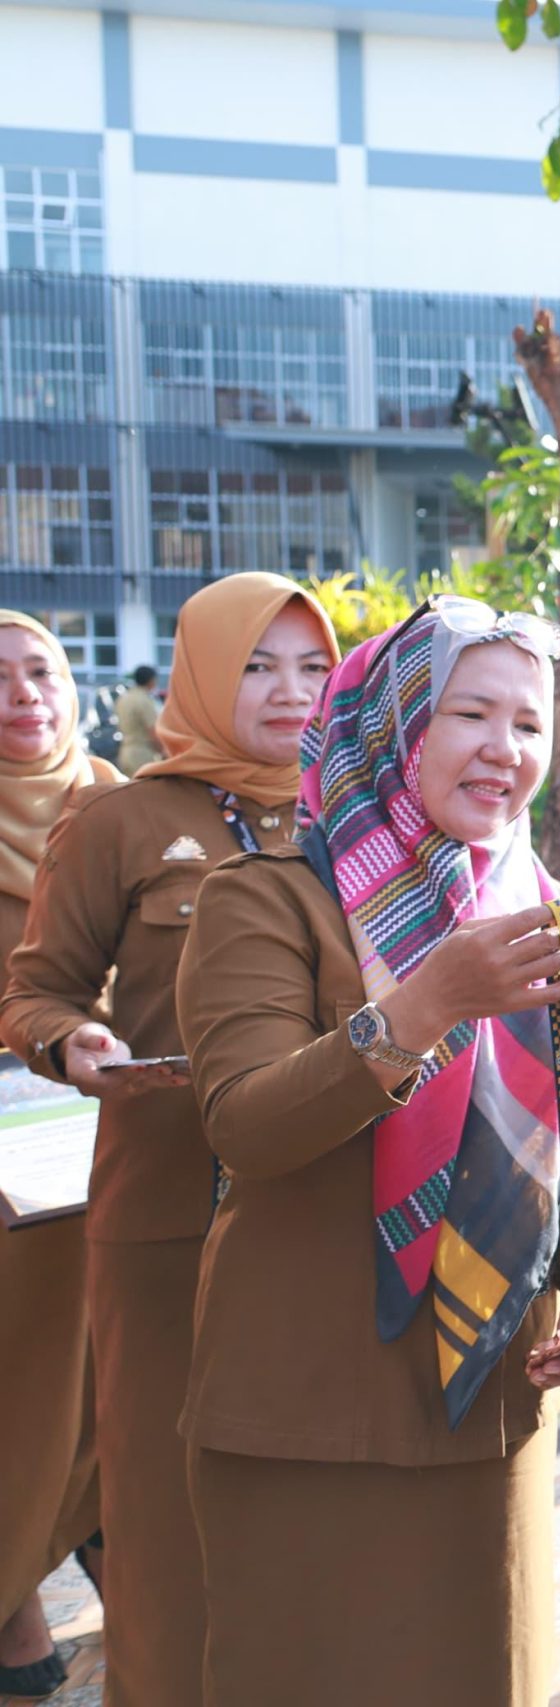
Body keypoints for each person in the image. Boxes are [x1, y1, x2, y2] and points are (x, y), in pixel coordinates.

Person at [172, 600, 560, 1703]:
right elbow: (246, 1123)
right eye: (468, 712)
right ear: (391, 725)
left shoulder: (547, 912)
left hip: (488, 1403)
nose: (505, 750)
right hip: (307, 1413)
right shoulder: (268, 901)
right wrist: (423, 1005)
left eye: (529, 724)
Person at [2, 575, 338, 1707]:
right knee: (161, 1527)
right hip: (165, 1225)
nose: (290, 693)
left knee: (316, 1513)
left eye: (310, 666)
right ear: (199, 671)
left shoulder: (365, 814)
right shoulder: (121, 821)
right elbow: (35, 989)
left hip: (326, 1220)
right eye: (257, 666)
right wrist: (72, 1042)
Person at [0, 613, 116, 1703]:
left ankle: (90, 1530)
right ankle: (11, 1595)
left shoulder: (120, 804)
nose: (23, 695)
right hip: (2, 1187)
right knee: (19, 1386)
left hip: (113, 1148)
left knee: (111, 1371)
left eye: (41, 671)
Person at [114, 664, 163, 770]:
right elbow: (152, 730)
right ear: (151, 680)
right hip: (143, 753)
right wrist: (162, 751)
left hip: (125, 751)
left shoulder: (124, 698)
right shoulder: (144, 700)